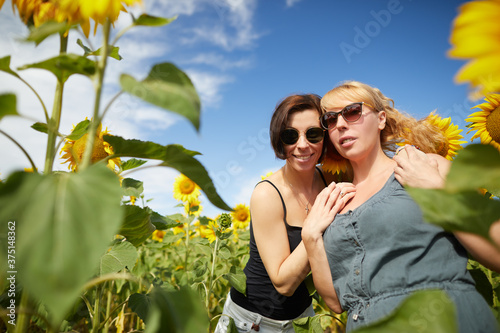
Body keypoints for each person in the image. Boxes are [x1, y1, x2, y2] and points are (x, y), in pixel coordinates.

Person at [301, 80, 500, 332]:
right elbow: (336, 302)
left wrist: (438, 191)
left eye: (352, 112)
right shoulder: (335, 201)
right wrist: (311, 238)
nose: (340, 124)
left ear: (381, 119)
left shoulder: (427, 167)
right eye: (330, 119)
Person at [215, 93, 355, 333]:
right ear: (279, 141)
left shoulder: (330, 177)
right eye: (291, 136)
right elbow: (283, 283)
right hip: (252, 322)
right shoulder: (267, 194)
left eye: (313, 134)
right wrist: (315, 226)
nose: (302, 145)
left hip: (302, 317)